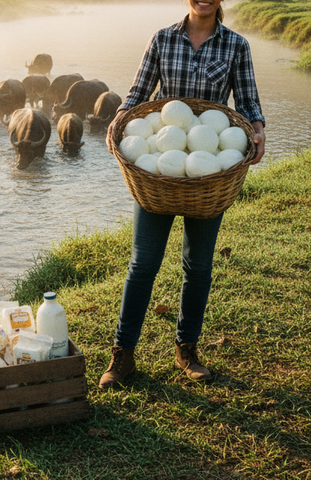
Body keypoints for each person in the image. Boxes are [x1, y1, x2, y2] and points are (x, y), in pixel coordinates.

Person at [100, 0, 266, 388]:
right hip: (159, 170)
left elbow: (247, 102)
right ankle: (122, 356)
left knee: (199, 266)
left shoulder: (236, 46)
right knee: (143, 265)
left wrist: (257, 130)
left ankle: (187, 349)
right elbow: (138, 93)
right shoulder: (162, 39)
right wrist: (118, 120)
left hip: (209, 171)